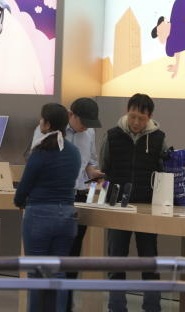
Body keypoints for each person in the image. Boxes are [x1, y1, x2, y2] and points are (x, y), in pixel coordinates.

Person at [101, 93, 166, 312]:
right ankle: (116, 307)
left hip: (147, 207)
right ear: (127, 112)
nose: (136, 122)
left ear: (150, 117)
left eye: (141, 118)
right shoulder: (112, 136)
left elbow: (164, 171)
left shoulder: (159, 138)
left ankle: (152, 307)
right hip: (117, 206)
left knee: (149, 260)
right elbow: (104, 167)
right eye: (132, 116)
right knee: (116, 260)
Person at [15, 103, 82, 312]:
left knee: (36, 272)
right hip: (67, 217)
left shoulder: (40, 151)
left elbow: (24, 186)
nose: (39, 122)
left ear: (48, 124)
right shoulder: (74, 152)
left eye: (42, 119)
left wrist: (19, 201)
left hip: (39, 216)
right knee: (58, 272)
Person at [62, 97, 104, 311]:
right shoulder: (56, 131)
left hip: (81, 194)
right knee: (59, 251)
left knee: (74, 252)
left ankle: (67, 302)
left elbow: (91, 161)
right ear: (71, 115)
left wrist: (94, 173)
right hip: (60, 196)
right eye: (83, 121)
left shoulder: (89, 133)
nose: (86, 126)